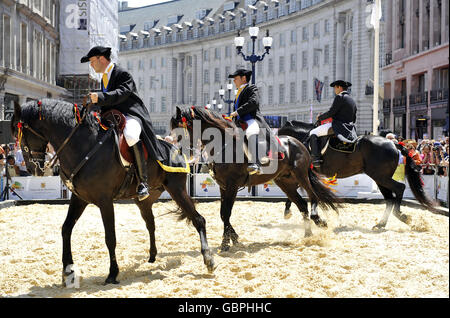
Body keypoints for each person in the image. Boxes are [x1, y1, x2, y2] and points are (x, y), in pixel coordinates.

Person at [81, 46, 166, 201]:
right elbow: (107, 102)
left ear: (101, 58)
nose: (91, 65)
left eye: (92, 61)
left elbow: (122, 94)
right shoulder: (104, 78)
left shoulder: (122, 74)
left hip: (131, 114)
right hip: (114, 117)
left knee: (131, 135)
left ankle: (143, 182)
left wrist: (99, 97)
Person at [228, 69, 272, 175]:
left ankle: (256, 163)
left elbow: (253, 102)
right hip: (239, 122)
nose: (234, 81)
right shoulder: (238, 92)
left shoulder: (251, 88)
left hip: (251, 119)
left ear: (244, 78)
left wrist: (238, 112)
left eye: (236, 78)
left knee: (251, 132)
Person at [309, 80, 357, 168]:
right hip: (350, 128)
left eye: (335, 88)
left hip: (338, 126)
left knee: (313, 132)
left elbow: (331, 112)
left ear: (339, 87)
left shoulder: (340, 97)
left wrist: (320, 117)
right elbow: (354, 118)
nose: (334, 90)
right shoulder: (351, 99)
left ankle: (316, 159)